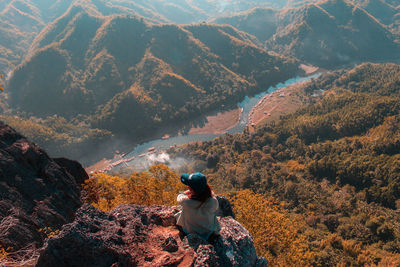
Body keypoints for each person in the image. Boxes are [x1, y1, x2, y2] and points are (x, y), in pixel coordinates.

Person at [175, 172, 220, 240]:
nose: (187, 186)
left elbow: (179, 196)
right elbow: (213, 202)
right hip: (208, 232)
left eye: (189, 186)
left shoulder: (185, 201)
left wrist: (187, 192)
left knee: (180, 214)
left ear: (191, 190)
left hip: (189, 232)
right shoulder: (212, 202)